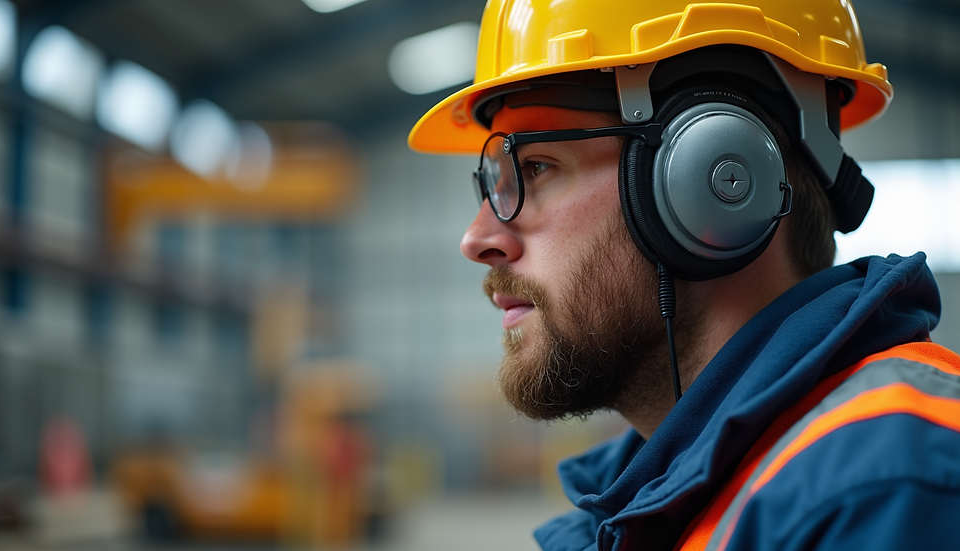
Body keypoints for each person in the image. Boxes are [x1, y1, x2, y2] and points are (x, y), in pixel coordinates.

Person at [408, 1, 960, 549]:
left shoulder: (887, 482)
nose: (477, 240)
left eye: (535, 167)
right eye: (494, 183)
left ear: (713, 174)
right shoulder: (656, 503)